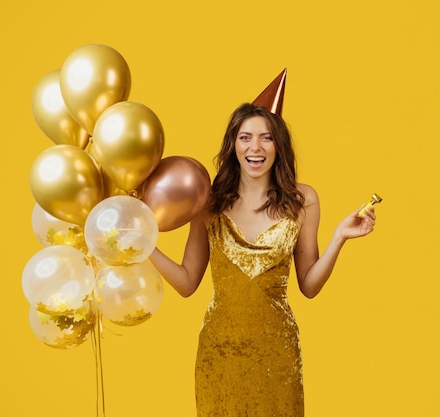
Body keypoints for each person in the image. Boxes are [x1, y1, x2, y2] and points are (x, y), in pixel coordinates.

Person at [149, 75, 377, 416]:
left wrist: (339, 238)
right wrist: (144, 243)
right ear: (234, 145)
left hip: (277, 354)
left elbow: (309, 286)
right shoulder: (208, 202)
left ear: (278, 146)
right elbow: (186, 283)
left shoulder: (303, 201)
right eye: (246, 137)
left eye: (266, 138)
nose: (255, 147)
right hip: (219, 353)